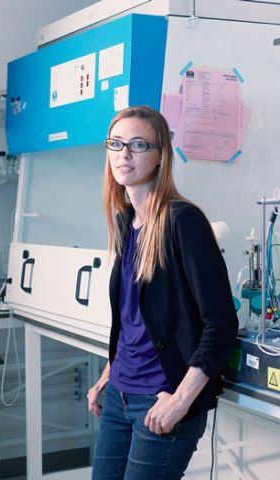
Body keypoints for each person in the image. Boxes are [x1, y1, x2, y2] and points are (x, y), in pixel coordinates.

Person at [87, 105, 239, 479]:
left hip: (161, 398)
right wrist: (109, 372)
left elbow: (220, 324)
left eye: (138, 144)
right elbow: (134, 319)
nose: (124, 154)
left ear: (160, 156)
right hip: (119, 396)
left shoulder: (182, 221)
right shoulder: (126, 222)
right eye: (116, 143)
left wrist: (181, 401)